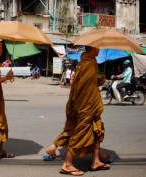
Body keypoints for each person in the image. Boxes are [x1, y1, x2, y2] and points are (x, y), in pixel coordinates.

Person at [44, 46, 112, 175]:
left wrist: (98, 81)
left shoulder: (85, 61)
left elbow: (85, 83)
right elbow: (84, 87)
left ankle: (96, 160)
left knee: (96, 129)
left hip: (83, 103)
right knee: (81, 132)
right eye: (98, 47)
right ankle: (68, 164)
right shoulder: (90, 63)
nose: (99, 49)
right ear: (93, 48)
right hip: (87, 104)